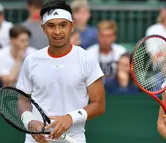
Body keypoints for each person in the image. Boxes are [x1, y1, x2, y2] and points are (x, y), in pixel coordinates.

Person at [16, 0, 105, 143]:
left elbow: (99, 104)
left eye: (63, 25)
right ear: (43, 29)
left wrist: (70, 118)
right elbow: (23, 98)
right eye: (51, 26)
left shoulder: (87, 59)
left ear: (72, 26)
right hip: (37, 139)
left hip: (73, 138)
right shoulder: (31, 60)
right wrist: (29, 121)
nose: (57, 31)